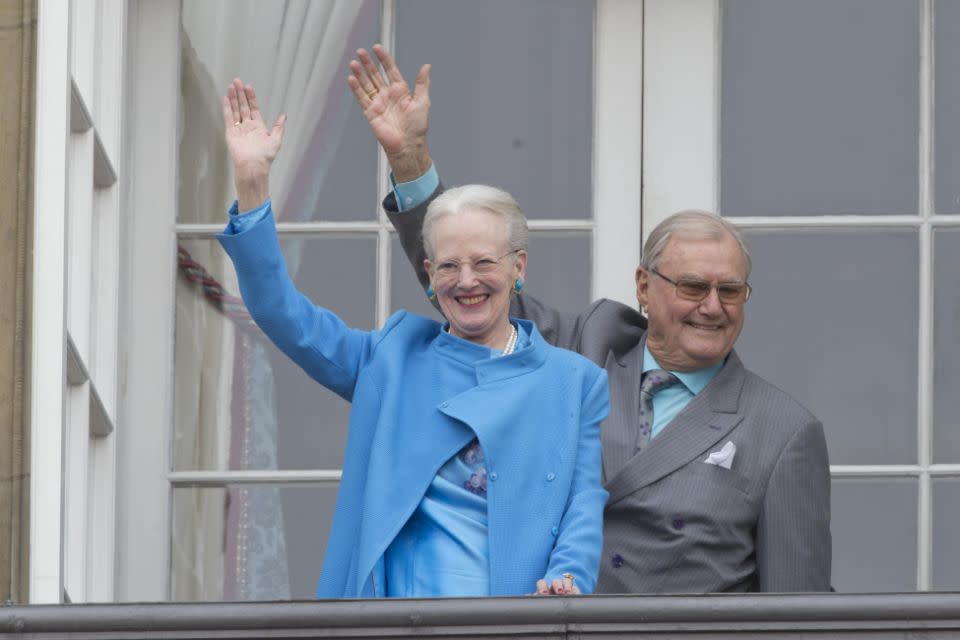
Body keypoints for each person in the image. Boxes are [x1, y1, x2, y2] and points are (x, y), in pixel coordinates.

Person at [348, 45, 832, 593]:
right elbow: (473, 291)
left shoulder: (784, 430)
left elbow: (798, 610)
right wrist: (411, 160)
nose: (713, 307)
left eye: (731, 290)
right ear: (644, 288)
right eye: (694, 287)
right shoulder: (584, 349)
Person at [217, 79, 610, 598]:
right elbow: (279, 312)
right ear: (428, 275)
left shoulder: (574, 381)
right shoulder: (391, 358)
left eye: (483, 263)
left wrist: (568, 580)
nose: (465, 281)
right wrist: (252, 182)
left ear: (519, 268)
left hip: (513, 621)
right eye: (448, 266)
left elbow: (583, 503)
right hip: (393, 619)